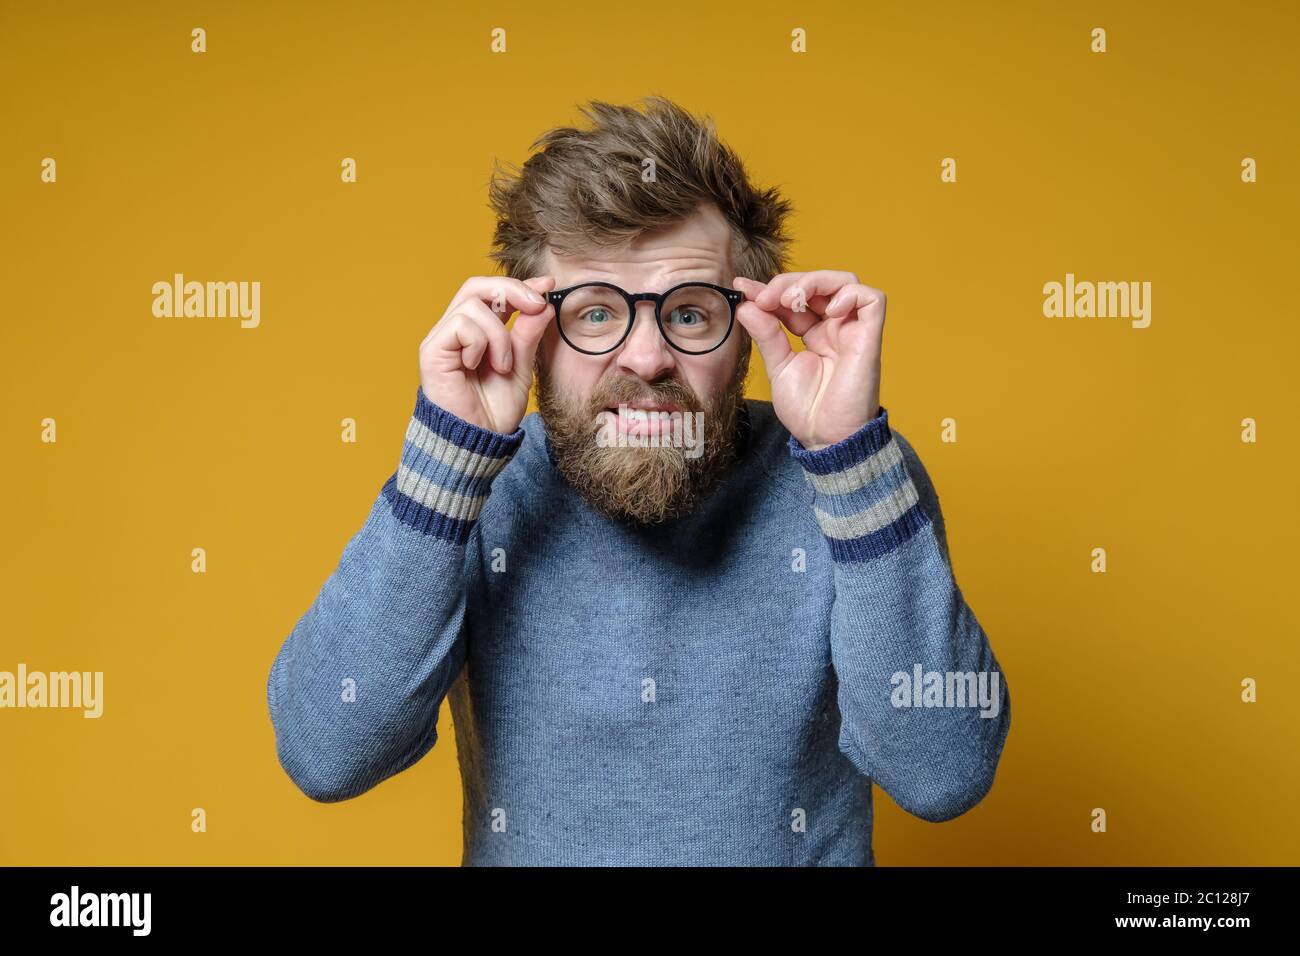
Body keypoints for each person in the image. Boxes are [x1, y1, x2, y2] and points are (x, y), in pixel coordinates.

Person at [266, 96, 1011, 866]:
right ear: (528, 328)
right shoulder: (472, 490)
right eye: (595, 314)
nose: (647, 358)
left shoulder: (850, 478)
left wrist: (851, 456)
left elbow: (943, 772)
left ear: (751, 322)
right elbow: (328, 753)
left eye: (689, 314)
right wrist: (443, 460)